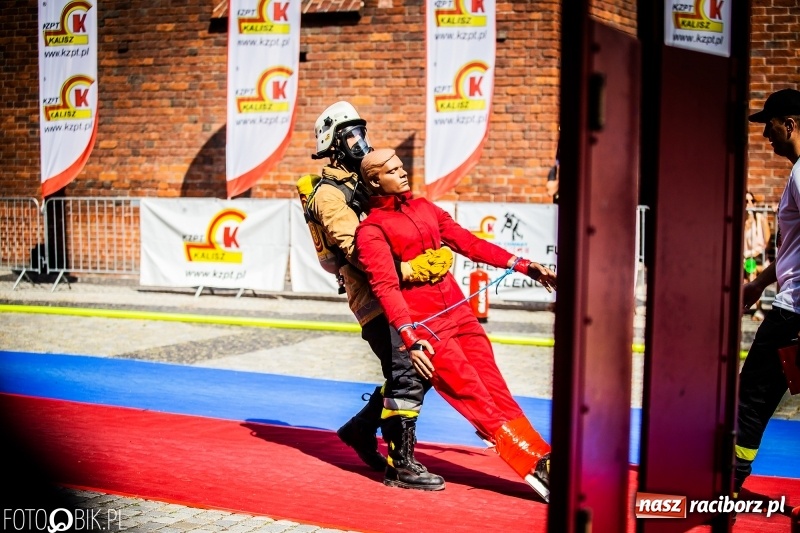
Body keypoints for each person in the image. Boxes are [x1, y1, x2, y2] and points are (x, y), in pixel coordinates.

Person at [354, 148, 557, 502]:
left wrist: (524, 264)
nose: (403, 173)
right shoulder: (371, 230)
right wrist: (409, 337)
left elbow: (469, 243)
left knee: (495, 388)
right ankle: (532, 465)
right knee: (473, 395)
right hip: (426, 326)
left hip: (460, 313)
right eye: (393, 170)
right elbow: (386, 287)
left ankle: (545, 457)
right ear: (374, 181)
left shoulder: (425, 208)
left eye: (402, 167)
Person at [309, 102, 452, 489]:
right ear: (333, 145)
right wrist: (407, 269)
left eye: (361, 133)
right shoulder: (328, 195)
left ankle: (360, 429)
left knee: (409, 372)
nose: (360, 143)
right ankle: (401, 465)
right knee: (408, 372)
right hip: (371, 295)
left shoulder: (362, 179)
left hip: (396, 291)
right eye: (350, 136)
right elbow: (354, 246)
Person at [737, 88, 800, 498]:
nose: (766, 137)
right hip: (791, 307)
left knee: (751, 400)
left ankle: (724, 486)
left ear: (790, 125)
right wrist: (759, 283)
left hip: (792, 316)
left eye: (770, 127)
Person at [743, 191, 771, 321]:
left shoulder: (760, 218)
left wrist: (755, 253)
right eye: (746, 201)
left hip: (759, 259)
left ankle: (757, 309)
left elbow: (767, 242)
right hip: (745, 259)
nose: (749, 204)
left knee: (751, 272)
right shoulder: (742, 221)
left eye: (752, 201)